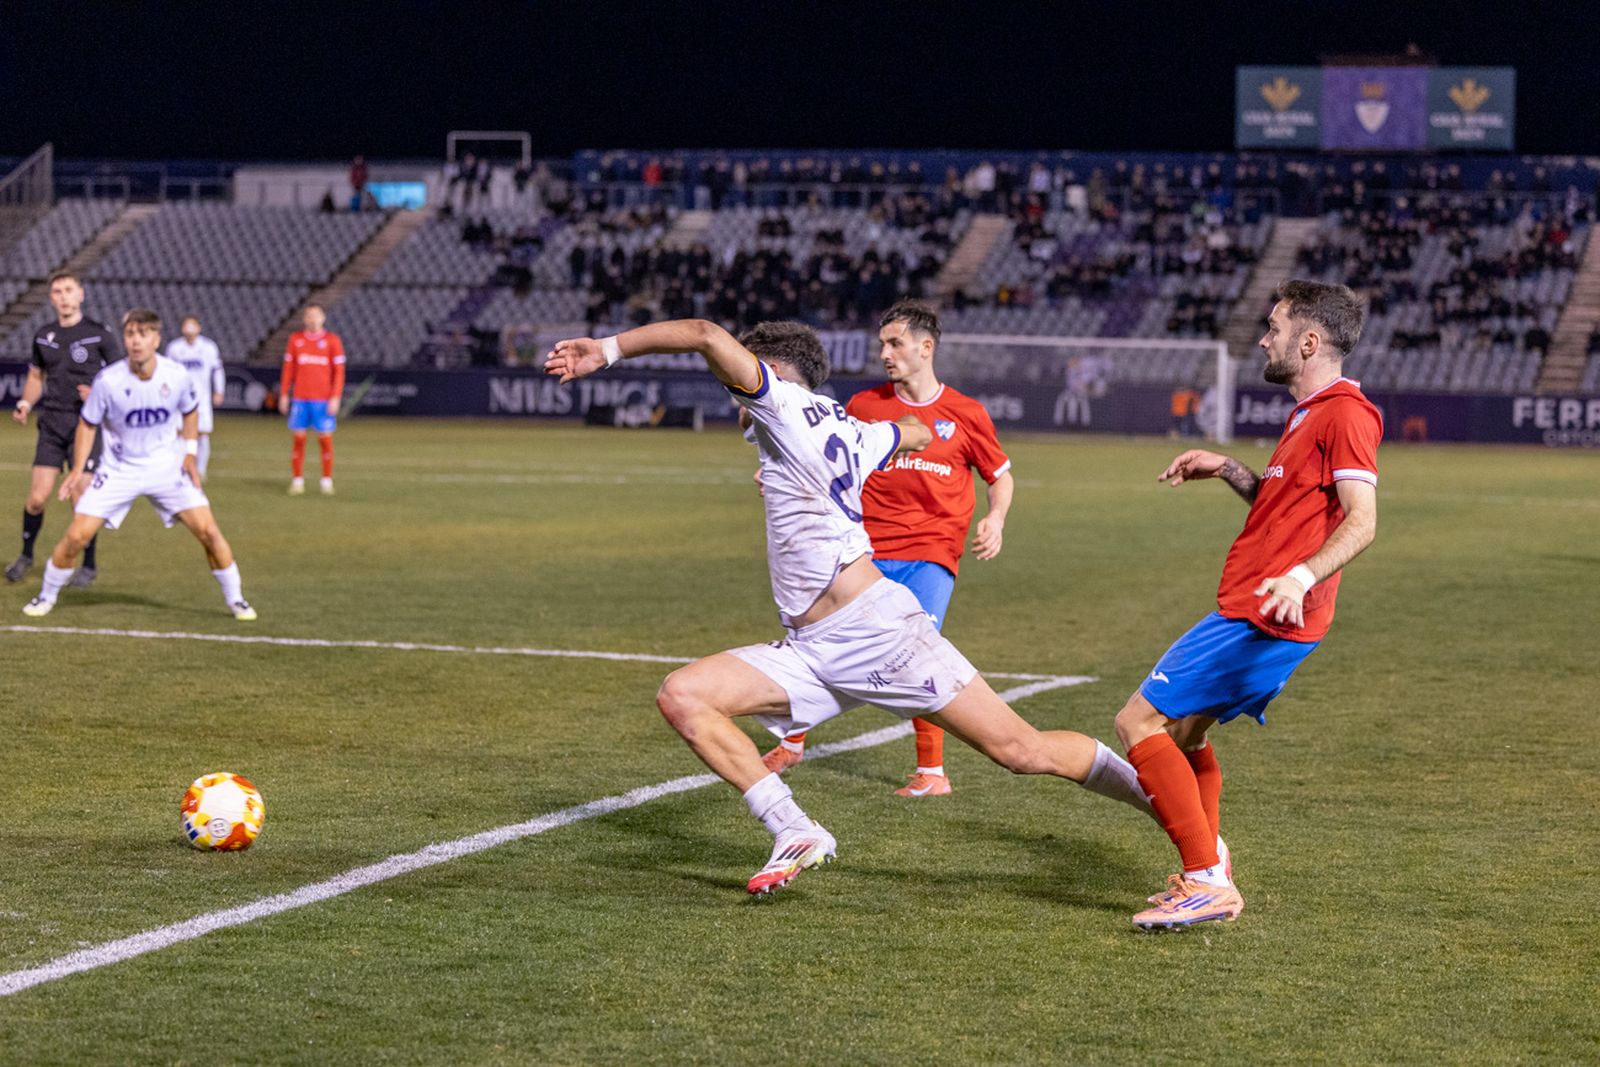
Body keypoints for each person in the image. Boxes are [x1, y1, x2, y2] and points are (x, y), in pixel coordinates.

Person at [545, 318, 1152, 895]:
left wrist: (609, 349)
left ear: (773, 369)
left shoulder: (778, 401)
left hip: (879, 634)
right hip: (811, 649)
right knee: (684, 694)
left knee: (1023, 752)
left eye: (740, 384)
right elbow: (908, 433)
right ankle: (795, 830)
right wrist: (913, 438)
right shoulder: (843, 421)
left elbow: (705, 335)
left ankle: (1166, 803)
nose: (734, 402)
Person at [1115, 280, 1380, 929]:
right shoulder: (1306, 413)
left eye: (1275, 326)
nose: (1264, 338)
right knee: (1187, 733)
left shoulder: (1346, 412)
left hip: (1265, 614)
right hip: (1260, 603)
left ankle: (1207, 877)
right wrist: (1229, 468)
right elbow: (1287, 508)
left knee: (1137, 724)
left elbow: (1362, 520)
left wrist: (1298, 576)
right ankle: (1210, 865)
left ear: (1309, 340)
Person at [760, 300, 1015, 798]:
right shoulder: (863, 406)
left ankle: (932, 773)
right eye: (882, 343)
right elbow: (822, 457)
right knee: (825, 641)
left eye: (895, 343)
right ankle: (792, 739)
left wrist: (996, 517)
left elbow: (1000, 477)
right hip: (863, 552)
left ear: (926, 348)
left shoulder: (966, 413)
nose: (885, 353)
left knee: (919, 651)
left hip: (931, 553)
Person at [22, 308, 256, 621]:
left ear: (156, 339)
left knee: (209, 532)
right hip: (119, 469)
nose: (135, 341)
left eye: (143, 334)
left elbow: (191, 411)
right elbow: (88, 424)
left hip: (166, 467)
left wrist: (188, 452)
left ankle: (236, 599)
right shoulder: (108, 380)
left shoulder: (176, 375)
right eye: (130, 334)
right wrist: (77, 470)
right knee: (77, 535)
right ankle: (46, 596)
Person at [7, 272, 121, 588]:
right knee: (36, 498)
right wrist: (26, 404)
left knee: (82, 499)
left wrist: (99, 392)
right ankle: (27, 555)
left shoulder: (100, 335)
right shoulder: (44, 336)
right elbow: (35, 377)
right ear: (51, 297)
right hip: (52, 425)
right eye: (57, 291)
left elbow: (121, 378)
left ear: (80, 294)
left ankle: (88, 564)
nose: (63, 296)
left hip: (86, 426)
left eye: (69, 290)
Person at [278, 303, 345, 495]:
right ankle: (297, 480)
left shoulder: (333, 341)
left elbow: (339, 372)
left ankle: (326, 481)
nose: (313, 319)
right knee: (299, 439)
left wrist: (335, 397)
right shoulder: (296, 340)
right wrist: (284, 394)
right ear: (304, 319)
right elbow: (288, 370)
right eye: (309, 316)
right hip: (300, 398)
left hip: (323, 400)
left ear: (323, 318)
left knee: (325, 440)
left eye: (316, 315)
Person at [164, 315, 225, 480]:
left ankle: (201, 469)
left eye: (193, 325)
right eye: (187, 325)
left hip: (202, 398)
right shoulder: (174, 348)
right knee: (178, 433)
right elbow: (167, 372)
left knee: (202, 433)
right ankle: (179, 466)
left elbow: (217, 369)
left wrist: (219, 390)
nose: (190, 329)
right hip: (179, 398)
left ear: (199, 328)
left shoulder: (208, 347)